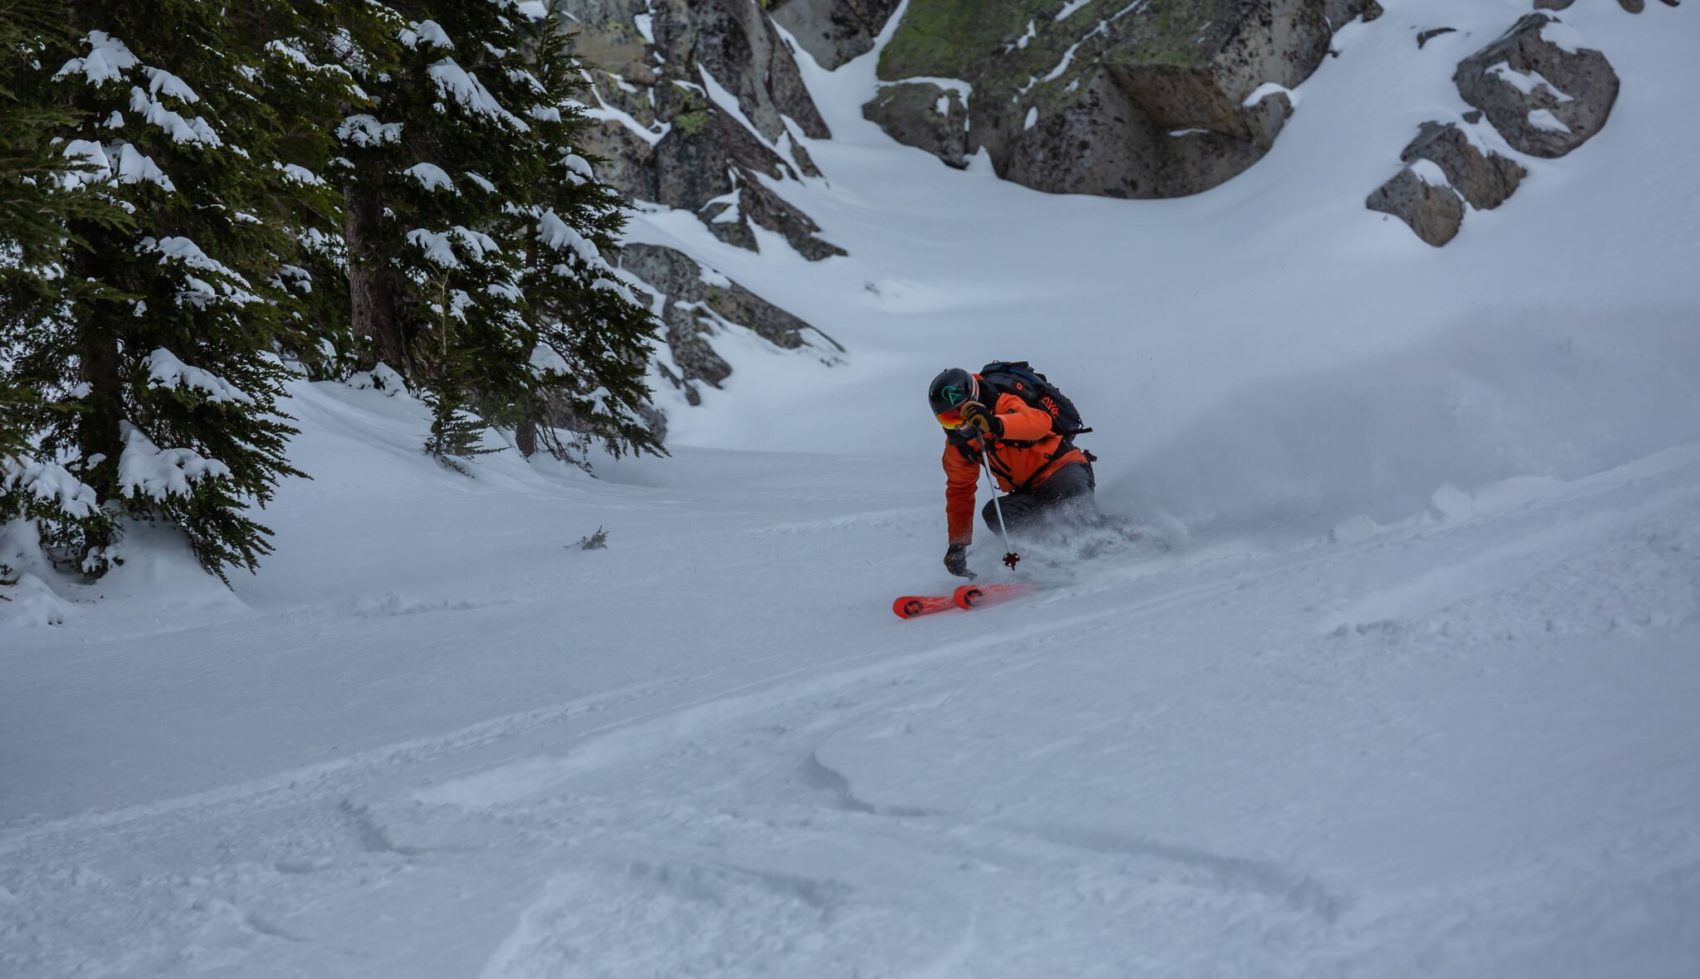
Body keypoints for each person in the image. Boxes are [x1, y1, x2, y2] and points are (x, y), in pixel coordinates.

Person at [929, 367, 1095, 577]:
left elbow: (1040, 423)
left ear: (974, 400)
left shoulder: (1002, 402)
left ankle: (1108, 539)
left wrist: (996, 425)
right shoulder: (959, 445)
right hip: (1028, 493)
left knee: (1067, 499)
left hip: (1063, 469)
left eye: (962, 413)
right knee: (995, 514)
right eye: (949, 420)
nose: (960, 425)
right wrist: (958, 544)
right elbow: (960, 491)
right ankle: (1051, 558)